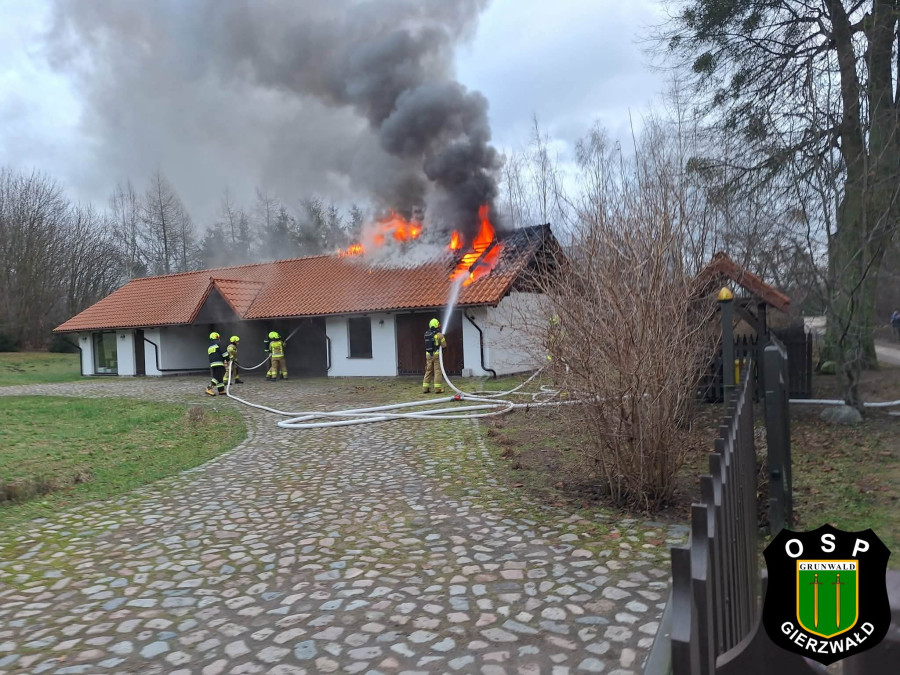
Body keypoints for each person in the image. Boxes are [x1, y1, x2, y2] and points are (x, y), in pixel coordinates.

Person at [423, 318, 448, 394]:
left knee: (428, 371)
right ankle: (437, 389)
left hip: (428, 355)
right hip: (436, 355)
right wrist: (442, 339)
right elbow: (444, 346)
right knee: (437, 371)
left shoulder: (426, 334)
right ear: (437, 325)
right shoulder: (439, 335)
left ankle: (425, 388)